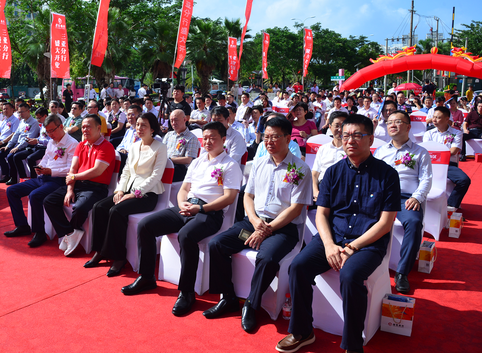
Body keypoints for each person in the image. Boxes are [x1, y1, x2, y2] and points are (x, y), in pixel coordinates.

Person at [277, 114, 401, 353]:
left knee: (351, 274)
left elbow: (385, 223)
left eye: (357, 135)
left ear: (371, 138)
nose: (350, 140)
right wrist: (330, 245)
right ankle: (302, 331)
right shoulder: (333, 173)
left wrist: (353, 247)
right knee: (298, 266)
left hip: (367, 243)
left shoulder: (387, 175)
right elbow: (322, 214)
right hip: (333, 238)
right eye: (345, 135)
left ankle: (353, 345)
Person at [121, 122, 242, 317]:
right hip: (187, 207)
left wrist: (200, 208)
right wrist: (182, 203)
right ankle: (146, 276)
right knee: (146, 225)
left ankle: (186, 292)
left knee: (186, 236)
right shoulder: (198, 161)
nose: (208, 142)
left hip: (209, 213)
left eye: (213, 138)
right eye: (206, 138)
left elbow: (229, 198)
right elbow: (184, 189)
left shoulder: (230, 164)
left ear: (224, 140)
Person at [206, 116, 312, 332]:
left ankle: (251, 305)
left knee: (267, 257)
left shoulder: (300, 169)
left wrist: (267, 230)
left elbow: (295, 209)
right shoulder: (259, 163)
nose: (269, 141)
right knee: (217, 245)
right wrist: (255, 222)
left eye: (275, 137)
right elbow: (248, 196)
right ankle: (228, 297)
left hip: (282, 230)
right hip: (253, 225)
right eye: (266, 136)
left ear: (287, 138)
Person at [86, 113, 167, 277]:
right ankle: (100, 250)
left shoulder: (160, 147)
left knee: (116, 211)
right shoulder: (135, 146)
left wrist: (136, 193)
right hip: (128, 191)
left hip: (147, 195)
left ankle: (118, 257)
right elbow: (126, 172)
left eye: (144, 125)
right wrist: (120, 190)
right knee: (99, 207)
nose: (139, 128)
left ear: (152, 128)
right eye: (137, 125)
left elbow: (155, 176)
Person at [36, 114, 116, 254]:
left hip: (96, 188)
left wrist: (73, 177)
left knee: (79, 208)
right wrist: (70, 189)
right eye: (83, 127)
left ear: (98, 128)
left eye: (88, 127)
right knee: (49, 201)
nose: (85, 130)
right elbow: (72, 169)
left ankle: (70, 234)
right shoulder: (81, 145)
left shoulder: (107, 147)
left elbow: (96, 171)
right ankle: (69, 234)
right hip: (78, 183)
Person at [374, 111, 432, 294]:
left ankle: (402, 272)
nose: (392, 125)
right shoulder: (380, 151)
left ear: (408, 126)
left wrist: (417, 197)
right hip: (382, 198)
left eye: (397, 121)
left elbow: (426, 179)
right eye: (389, 122)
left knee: (414, 223)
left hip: (407, 198)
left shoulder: (420, 152)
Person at [3, 114, 79, 241]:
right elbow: (46, 158)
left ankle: (40, 232)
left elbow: (71, 169)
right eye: (47, 131)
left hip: (58, 181)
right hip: (44, 177)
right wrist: (40, 167)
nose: (49, 134)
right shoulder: (51, 142)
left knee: (35, 195)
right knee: (11, 191)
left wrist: (51, 171)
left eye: (52, 130)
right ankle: (22, 225)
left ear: (61, 127)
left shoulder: (72, 144)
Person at [423, 106, 471, 214]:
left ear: (447, 119)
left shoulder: (456, 133)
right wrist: (441, 153)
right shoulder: (428, 133)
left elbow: (454, 150)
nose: (434, 120)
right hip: (431, 164)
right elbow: (427, 151)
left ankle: (451, 205)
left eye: (438, 117)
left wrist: (436, 154)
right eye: (434, 117)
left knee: (464, 180)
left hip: (449, 164)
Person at [0, 103, 41, 185]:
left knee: (12, 156)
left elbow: (29, 139)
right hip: (17, 144)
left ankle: (20, 177)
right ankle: (7, 175)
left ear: (28, 111)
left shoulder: (34, 123)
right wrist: (8, 146)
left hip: (27, 146)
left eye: (22, 112)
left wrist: (17, 148)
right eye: (19, 112)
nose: (20, 114)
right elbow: (15, 135)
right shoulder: (22, 122)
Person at [311, 111, 348, 203]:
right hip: (323, 186)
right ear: (330, 127)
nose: (340, 129)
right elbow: (315, 174)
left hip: (344, 188)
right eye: (337, 125)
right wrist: (316, 192)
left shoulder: (351, 149)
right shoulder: (323, 149)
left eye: (343, 125)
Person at [9, 107, 49, 179]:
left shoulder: (50, 126)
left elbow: (51, 141)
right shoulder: (43, 125)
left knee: (30, 158)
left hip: (45, 148)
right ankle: (23, 178)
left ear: (45, 116)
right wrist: (34, 140)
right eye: (37, 118)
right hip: (37, 146)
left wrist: (38, 141)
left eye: (39, 118)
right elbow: (40, 138)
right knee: (16, 156)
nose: (38, 120)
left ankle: (33, 179)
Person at [163, 109, 200, 182]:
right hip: (164, 165)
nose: (173, 123)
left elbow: (188, 159)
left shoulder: (191, 138)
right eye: (171, 120)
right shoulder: (168, 135)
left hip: (179, 169)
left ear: (185, 119)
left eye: (176, 120)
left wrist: (169, 160)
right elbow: (161, 151)